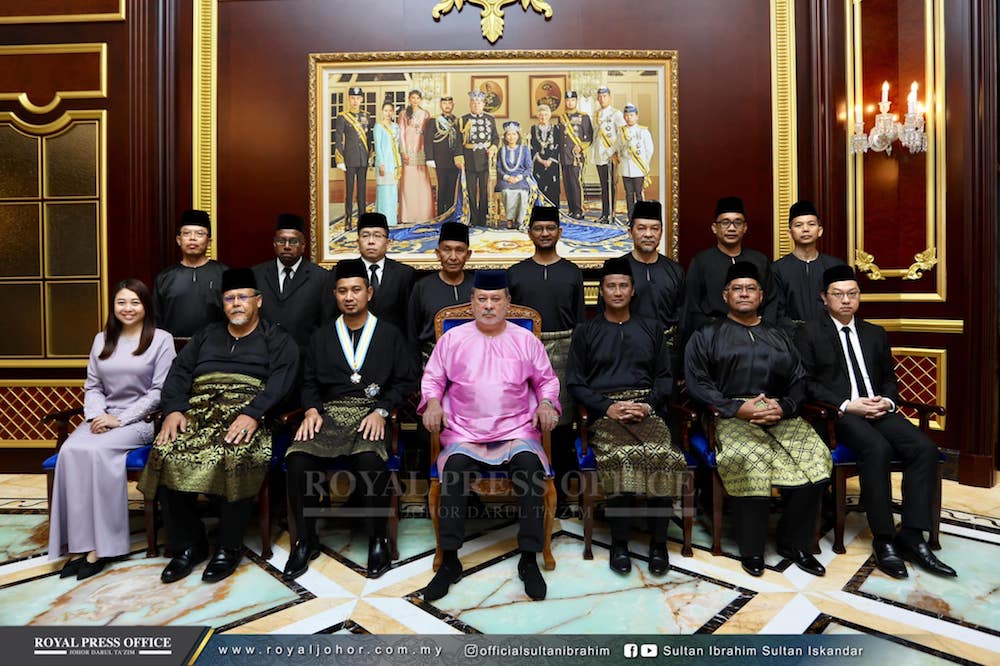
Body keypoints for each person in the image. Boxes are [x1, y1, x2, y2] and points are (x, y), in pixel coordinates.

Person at [794, 265, 955, 579]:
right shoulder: (809, 332)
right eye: (838, 294)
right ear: (824, 298)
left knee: (923, 447)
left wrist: (888, 401)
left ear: (859, 297)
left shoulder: (874, 333)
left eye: (852, 294)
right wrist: (847, 404)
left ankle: (911, 533)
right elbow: (807, 383)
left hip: (879, 409)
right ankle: (883, 539)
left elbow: (889, 380)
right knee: (876, 449)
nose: (845, 301)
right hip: (839, 414)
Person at [139, 268, 299, 584]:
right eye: (229, 298)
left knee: (236, 454)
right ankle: (190, 544)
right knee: (165, 451)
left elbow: (282, 382)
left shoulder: (277, 338)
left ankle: (228, 546)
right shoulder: (207, 335)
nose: (236, 303)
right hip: (198, 413)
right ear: (222, 303)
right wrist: (173, 410)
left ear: (258, 301)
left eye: (243, 297)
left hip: (249, 416)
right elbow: (179, 374)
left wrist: (253, 413)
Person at [419, 270, 561, 602]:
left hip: (516, 430)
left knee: (530, 471)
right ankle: (450, 560)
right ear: (471, 303)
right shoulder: (452, 340)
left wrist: (546, 404)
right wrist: (434, 403)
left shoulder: (526, 340)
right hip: (464, 431)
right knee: (452, 474)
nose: (488, 306)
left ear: (507, 303)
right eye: (481, 299)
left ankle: (529, 558)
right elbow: (432, 380)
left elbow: (547, 381)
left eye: (495, 299)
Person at [684, 262, 831, 578]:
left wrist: (785, 406)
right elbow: (698, 382)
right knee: (751, 459)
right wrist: (737, 409)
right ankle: (752, 550)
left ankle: (794, 542)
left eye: (751, 288)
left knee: (816, 458)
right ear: (725, 295)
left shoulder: (778, 334)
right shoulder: (707, 334)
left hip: (779, 411)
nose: (744, 294)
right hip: (730, 414)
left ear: (761, 295)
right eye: (737, 288)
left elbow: (798, 378)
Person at [284, 259, 418, 580]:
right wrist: (312, 409)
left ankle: (378, 540)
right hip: (328, 415)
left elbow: (405, 381)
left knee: (370, 460)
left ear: (369, 292)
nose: (349, 297)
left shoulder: (389, 334)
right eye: (342, 291)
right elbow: (310, 382)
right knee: (299, 459)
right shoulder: (321, 336)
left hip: (371, 413)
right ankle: (305, 539)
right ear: (334, 295)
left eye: (356, 290)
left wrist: (383, 410)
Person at [566, 257, 687, 576]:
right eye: (611, 286)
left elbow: (664, 378)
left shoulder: (651, 328)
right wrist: (606, 407)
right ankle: (619, 544)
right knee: (622, 457)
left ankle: (658, 544)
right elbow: (576, 382)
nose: (617, 291)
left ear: (633, 290)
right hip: (605, 414)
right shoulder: (586, 331)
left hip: (647, 409)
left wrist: (647, 405)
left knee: (663, 455)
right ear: (601, 291)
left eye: (623, 285)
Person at [49, 279, 176, 580]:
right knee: (70, 449)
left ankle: (102, 547)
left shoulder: (161, 340)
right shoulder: (101, 339)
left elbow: (159, 392)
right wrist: (97, 415)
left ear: (146, 306)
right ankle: (79, 545)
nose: (128, 308)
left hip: (141, 421)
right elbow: (92, 386)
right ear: (113, 306)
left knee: (98, 452)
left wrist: (121, 420)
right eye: (121, 302)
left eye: (135, 302)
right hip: (102, 417)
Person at [507, 205, 585, 515]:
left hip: (564, 350)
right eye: (538, 228)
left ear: (559, 232)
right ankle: (529, 494)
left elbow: (580, 322)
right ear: (530, 233)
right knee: (526, 425)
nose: (544, 234)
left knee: (561, 426)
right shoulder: (516, 272)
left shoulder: (571, 272)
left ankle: (564, 496)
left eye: (550, 228)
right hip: (524, 354)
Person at [684, 196, 776, 339]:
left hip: (756, 335)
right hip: (714, 336)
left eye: (737, 222)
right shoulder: (701, 262)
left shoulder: (759, 261)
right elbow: (692, 306)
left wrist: (763, 330)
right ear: (714, 228)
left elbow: (771, 300)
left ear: (745, 227)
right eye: (725, 222)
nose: (732, 228)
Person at [617, 200, 685, 374]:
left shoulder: (675, 271)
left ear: (661, 233)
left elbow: (682, 316)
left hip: (667, 355)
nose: (648, 234)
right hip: (625, 352)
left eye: (654, 228)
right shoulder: (617, 269)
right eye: (641, 228)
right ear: (630, 232)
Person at [252, 213, 335, 355]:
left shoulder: (321, 277)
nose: (286, 246)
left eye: (293, 241)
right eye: (281, 241)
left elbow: (326, 323)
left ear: (303, 245)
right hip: (263, 356)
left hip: (305, 357)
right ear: (274, 243)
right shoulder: (256, 274)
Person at [772, 200, 846, 334]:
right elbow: (776, 312)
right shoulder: (777, 269)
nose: (805, 229)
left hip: (829, 336)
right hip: (791, 339)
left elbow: (842, 306)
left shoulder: (835, 266)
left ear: (820, 230)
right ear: (789, 233)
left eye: (811, 224)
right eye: (798, 225)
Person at [153, 209, 228, 338]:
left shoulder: (225, 274)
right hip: (174, 350)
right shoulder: (164, 277)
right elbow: (155, 321)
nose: (192, 238)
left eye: (199, 233)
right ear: (179, 240)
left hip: (217, 349)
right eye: (187, 233)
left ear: (209, 242)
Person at [408, 221, 474, 363]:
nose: (453, 257)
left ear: (468, 255)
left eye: (459, 250)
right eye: (446, 249)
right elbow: (412, 334)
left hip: (473, 364)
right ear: (438, 253)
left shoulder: (478, 287)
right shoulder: (422, 287)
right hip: (431, 363)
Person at [356, 212, 415, 334]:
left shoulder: (404, 274)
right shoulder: (344, 272)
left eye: (377, 236)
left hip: (393, 346)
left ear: (388, 242)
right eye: (365, 236)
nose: (371, 241)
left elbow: (411, 321)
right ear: (358, 242)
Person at [334, 86, 373, 230]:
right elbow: (337, 138)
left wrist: (371, 156)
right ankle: (348, 220)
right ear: (349, 99)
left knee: (362, 191)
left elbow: (369, 138)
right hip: (349, 159)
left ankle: (362, 219)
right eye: (352, 98)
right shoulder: (342, 116)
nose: (355, 101)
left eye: (358, 98)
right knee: (349, 191)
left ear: (362, 99)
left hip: (363, 158)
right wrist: (339, 159)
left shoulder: (367, 116)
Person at [459, 90, 500, 227]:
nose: (476, 105)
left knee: (484, 190)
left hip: (484, 159)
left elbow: (495, 137)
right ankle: (472, 218)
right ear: (470, 104)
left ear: (483, 104)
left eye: (479, 102)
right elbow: (458, 142)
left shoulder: (490, 119)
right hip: (469, 160)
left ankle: (483, 218)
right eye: (474, 102)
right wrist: (459, 159)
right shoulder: (462, 119)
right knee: (470, 190)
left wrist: (493, 147)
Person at [397, 89, 433, 223]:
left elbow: (428, 135)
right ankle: (407, 216)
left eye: (418, 98)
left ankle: (424, 215)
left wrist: (428, 153)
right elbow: (401, 134)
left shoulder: (425, 114)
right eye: (413, 98)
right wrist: (404, 151)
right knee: (408, 184)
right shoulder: (403, 114)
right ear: (409, 99)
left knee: (422, 184)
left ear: (420, 100)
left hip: (421, 151)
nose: (415, 100)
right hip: (408, 153)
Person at [557, 90, 593, 219]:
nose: (569, 102)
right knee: (567, 183)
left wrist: (581, 146)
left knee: (576, 183)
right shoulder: (561, 117)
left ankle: (579, 209)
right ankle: (571, 209)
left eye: (572, 100)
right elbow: (560, 138)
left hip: (576, 156)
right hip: (564, 155)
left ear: (576, 101)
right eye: (567, 100)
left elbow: (589, 137)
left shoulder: (584, 117)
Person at [591, 86, 625, 224]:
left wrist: (612, 150)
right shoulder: (597, 113)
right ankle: (604, 214)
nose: (602, 99)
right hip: (600, 155)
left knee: (611, 185)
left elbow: (622, 135)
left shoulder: (616, 114)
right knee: (603, 186)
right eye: (599, 96)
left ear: (610, 97)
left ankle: (611, 213)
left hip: (610, 155)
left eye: (604, 96)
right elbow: (595, 135)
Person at [425, 95, 462, 216]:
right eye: (445, 103)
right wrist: (429, 157)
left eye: (449, 104)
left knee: (452, 189)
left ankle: (450, 214)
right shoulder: (434, 121)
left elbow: (460, 141)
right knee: (442, 188)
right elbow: (428, 140)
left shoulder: (457, 121)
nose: (447, 106)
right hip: (440, 159)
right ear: (441, 105)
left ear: (453, 105)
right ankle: (441, 215)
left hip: (454, 160)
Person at [496, 121, 535, 230]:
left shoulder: (525, 149)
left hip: (521, 179)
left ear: (518, 136)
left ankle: (520, 220)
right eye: (509, 134)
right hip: (506, 179)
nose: (511, 137)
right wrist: (507, 177)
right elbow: (498, 168)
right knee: (507, 192)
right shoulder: (501, 150)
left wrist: (519, 177)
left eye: (514, 134)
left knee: (522, 193)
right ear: (505, 136)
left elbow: (529, 168)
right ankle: (509, 219)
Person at [617, 103, 654, 220]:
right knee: (628, 194)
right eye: (627, 115)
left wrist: (644, 164)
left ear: (637, 116)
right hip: (626, 168)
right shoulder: (621, 132)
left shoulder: (643, 131)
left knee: (638, 194)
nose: (629, 118)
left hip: (638, 169)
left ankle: (641, 216)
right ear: (624, 117)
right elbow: (618, 147)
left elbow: (649, 149)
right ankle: (630, 217)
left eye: (632, 115)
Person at [373, 101, 401, 226]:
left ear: (393, 111)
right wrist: (381, 164)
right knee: (384, 192)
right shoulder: (378, 127)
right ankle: (382, 220)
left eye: (390, 110)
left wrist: (399, 163)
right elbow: (378, 147)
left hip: (394, 162)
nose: (388, 113)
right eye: (386, 110)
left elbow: (398, 145)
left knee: (393, 192)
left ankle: (392, 220)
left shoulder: (396, 127)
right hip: (384, 162)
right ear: (382, 112)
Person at [530, 104, 563, 206]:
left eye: (545, 115)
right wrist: (540, 160)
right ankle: (540, 210)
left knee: (553, 187)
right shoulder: (534, 128)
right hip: (539, 162)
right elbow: (533, 146)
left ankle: (554, 210)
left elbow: (558, 145)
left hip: (552, 162)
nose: (543, 117)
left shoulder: (555, 128)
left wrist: (550, 160)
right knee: (540, 186)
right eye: (540, 115)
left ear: (549, 116)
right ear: (537, 116)